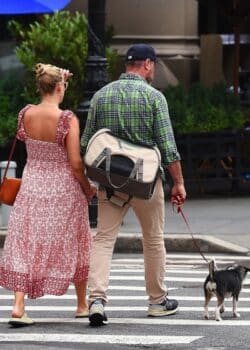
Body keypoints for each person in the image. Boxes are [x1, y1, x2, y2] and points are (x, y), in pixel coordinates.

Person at [80, 43, 186, 327]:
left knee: (103, 238)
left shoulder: (101, 96)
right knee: (152, 239)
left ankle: (97, 300)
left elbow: (86, 141)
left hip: (110, 182)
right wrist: (178, 183)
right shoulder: (155, 98)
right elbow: (168, 146)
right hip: (146, 184)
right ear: (148, 64)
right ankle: (156, 301)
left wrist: (92, 178)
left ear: (127, 64)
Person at [0, 63, 96, 326]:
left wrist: (58, 80)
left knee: (25, 242)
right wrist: (88, 189)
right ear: (59, 87)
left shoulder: (25, 114)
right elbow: (76, 163)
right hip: (63, 189)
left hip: (32, 187)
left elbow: (49, 98)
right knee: (75, 241)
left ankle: (18, 306)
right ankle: (81, 304)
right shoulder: (68, 119)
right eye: (63, 85)